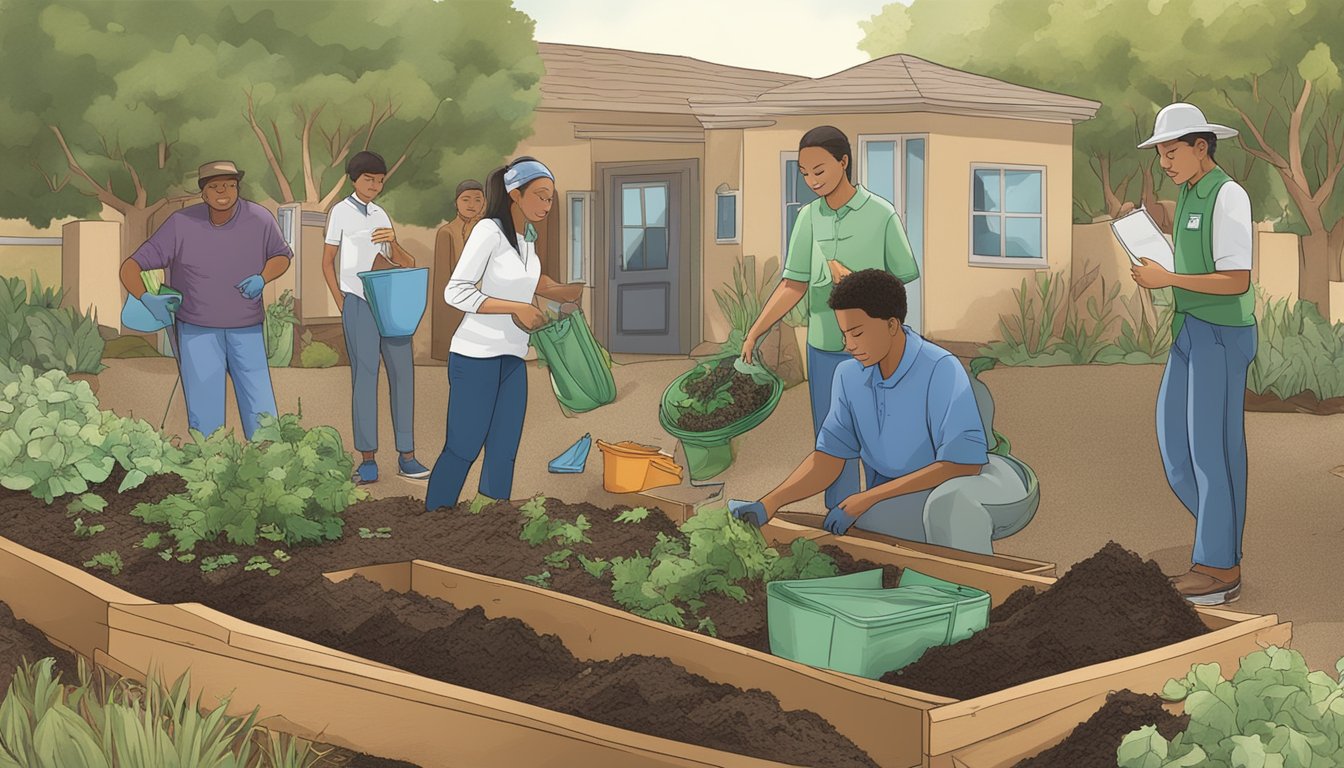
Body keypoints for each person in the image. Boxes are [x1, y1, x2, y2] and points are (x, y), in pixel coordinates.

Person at [730, 269, 1034, 555]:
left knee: (949, 506)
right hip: (918, 493)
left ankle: (982, 601)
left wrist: (869, 497)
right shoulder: (849, 377)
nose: (849, 345)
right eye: (844, 334)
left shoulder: (940, 368)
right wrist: (769, 504)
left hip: (985, 483)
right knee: (864, 523)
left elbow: (962, 465)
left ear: (892, 325)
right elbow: (828, 458)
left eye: (857, 333)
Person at [741, 126, 920, 513]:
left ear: (844, 162)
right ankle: (838, 517)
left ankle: (880, 516)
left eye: (819, 171)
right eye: (804, 173)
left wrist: (855, 280)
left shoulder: (881, 214)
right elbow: (793, 285)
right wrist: (755, 332)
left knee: (879, 435)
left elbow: (902, 278)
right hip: (824, 348)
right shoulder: (807, 218)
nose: (811, 181)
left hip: (876, 349)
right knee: (832, 439)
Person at [1130, 103, 1256, 606]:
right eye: (1161, 153)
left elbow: (1237, 280)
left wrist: (1168, 279)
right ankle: (1217, 540)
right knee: (1175, 448)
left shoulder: (1228, 195)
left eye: (1172, 151)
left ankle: (1218, 565)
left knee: (1213, 450)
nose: (1165, 162)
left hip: (1222, 333)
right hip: (1189, 328)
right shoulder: (1187, 194)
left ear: (1201, 146)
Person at [424, 157, 584, 511]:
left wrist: (559, 291)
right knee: (464, 444)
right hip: (476, 355)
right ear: (515, 193)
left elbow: (526, 280)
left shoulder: (526, 239)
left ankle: (491, 519)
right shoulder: (488, 232)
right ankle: (435, 517)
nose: (547, 205)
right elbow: (457, 292)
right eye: (541, 196)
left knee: (503, 447)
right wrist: (515, 308)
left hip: (513, 356)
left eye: (550, 199)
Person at [119, 160, 291, 441]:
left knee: (262, 412)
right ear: (204, 192)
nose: (223, 191)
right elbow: (130, 267)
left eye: (230, 185)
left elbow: (281, 256)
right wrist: (146, 298)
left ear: (237, 188)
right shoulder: (180, 223)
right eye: (215, 186)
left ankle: (268, 463)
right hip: (197, 331)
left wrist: (263, 277)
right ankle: (210, 469)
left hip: (246, 328)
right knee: (205, 416)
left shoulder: (259, 218)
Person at [321, 151, 431, 485]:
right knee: (365, 378)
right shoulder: (340, 212)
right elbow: (328, 261)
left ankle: (407, 455)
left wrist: (393, 243)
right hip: (358, 304)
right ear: (355, 179)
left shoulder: (381, 214)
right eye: (369, 179)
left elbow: (405, 261)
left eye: (380, 181)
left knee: (402, 376)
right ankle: (367, 459)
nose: (375, 186)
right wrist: (341, 300)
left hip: (390, 301)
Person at [432, 179, 486, 361]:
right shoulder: (447, 232)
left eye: (478, 200)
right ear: (456, 203)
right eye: (466, 199)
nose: (472, 205)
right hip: (454, 296)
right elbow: (454, 270)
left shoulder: (486, 231)